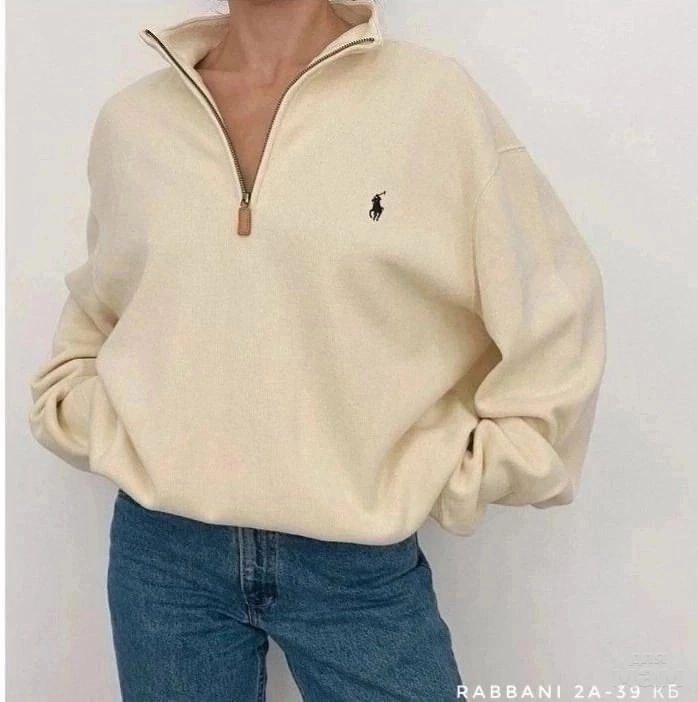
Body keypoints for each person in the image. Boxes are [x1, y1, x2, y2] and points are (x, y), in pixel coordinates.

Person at [27, 0, 607, 700]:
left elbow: (554, 310)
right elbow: (101, 312)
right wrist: (101, 421)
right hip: (163, 558)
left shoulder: (433, 103)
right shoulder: (134, 123)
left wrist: (455, 469)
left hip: (356, 562)